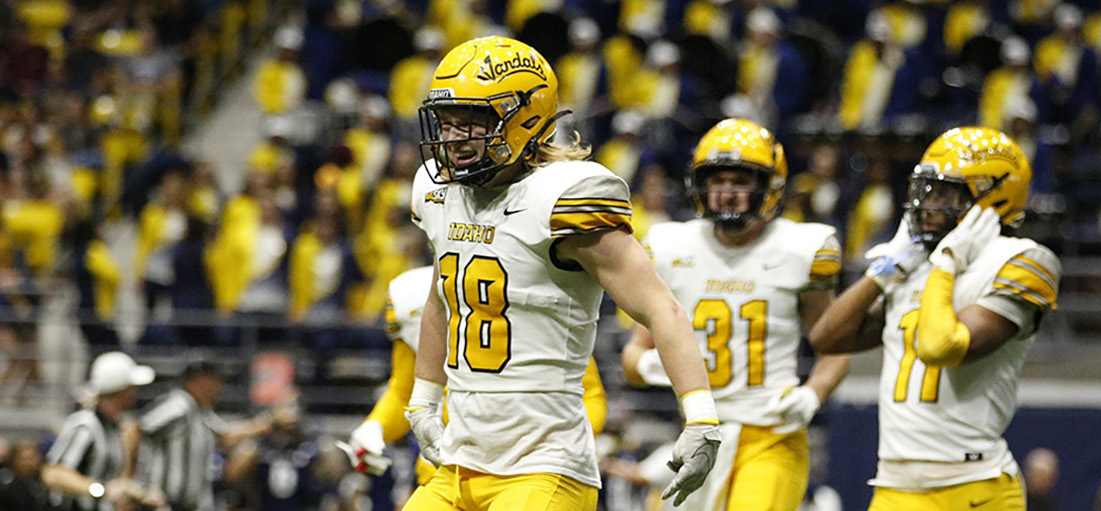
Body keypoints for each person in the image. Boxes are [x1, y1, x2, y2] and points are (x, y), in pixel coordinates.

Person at [400, 36, 721, 511]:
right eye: (448, 121)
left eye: (474, 121)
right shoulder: (436, 188)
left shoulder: (564, 197)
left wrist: (700, 419)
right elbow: (441, 300)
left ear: (524, 119)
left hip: (542, 469)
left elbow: (660, 308)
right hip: (458, 463)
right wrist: (423, 400)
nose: (454, 137)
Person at [809, 127, 1062, 510]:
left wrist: (945, 265)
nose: (928, 205)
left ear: (991, 198)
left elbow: (940, 346)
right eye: (927, 191)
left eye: (946, 193)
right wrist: (883, 272)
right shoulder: (912, 259)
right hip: (895, 485)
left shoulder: (1022, 260)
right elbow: (826, 337)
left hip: (974, 486)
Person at [620, 118, 851, 511]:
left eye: (740, 181)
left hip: (771, 434)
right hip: (697, 432)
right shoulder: (672, 245)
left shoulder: (799, 248)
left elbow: (835, 347)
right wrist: (650, 364)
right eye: (717, 181)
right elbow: (632, 354)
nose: (726, 193)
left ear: (768, 185)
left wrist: (813, 394)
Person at [344, 266, 609, 485]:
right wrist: (375, 426)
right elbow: (405, 389)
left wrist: (560, 448)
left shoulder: (535, 287)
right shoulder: (410, 292)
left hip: (523, 471)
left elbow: (589, 395)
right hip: (443, 473)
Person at [135, 359, 283, 511]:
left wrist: (269, 422)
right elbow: (135, 428)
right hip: (162, 504)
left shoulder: (200, 411)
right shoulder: (178, 405)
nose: (220, 388)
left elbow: (226, 435)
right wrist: (131, 480)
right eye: (216, 381)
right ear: (202, 380)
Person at [42, 352, 165, 511]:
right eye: (131, 387)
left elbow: (113, 483)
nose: (135, 392)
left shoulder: (113, 427)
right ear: (120, 390)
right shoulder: (86, 424)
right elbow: (54, 474)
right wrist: (99, 490)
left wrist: (137, 493)